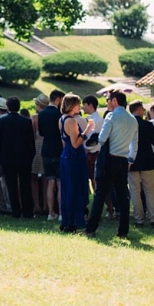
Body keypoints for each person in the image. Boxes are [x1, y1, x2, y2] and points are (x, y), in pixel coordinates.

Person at [83, 90, 138, 239]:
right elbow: (135, 144)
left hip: (109, 159)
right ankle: (123, 231)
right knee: (122, 196)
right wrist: (130, 160)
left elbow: (102, 139)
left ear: (114, 101)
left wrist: (92, 138)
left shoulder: (111, 116)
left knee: (100, 194)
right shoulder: (133, 120)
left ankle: (91, 228)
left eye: (108, 99)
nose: (107, 102)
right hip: (123, 160)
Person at [0, 96, 36, 218]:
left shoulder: (0, 122)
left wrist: (0, 156)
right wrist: (30, 156)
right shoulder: (26, 122)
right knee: (25, 185)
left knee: (11, 186)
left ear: (7, 107)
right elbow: (30, 142)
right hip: (24, 158)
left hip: (7, 159)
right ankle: (27, 211)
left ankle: (15, 211)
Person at [58, 93, 94, 232]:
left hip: (66, 156)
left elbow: (64, 142)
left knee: (68, 189)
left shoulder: (61, 119)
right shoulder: (72, 121)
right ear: (72, 105)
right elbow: (75, 143)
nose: (80, 106)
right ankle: (75, 221)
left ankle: (67, 220)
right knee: (76, 189)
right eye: (78, 104)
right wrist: (88, 130)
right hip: (74, 157)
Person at [128, 101, 154, 227]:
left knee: (135, 191)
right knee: (150, 191)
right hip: (147, 161)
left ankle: (139, 218)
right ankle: (153, 218)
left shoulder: (128, 125)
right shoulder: (147, 125)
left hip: (133, 161)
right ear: (139, 110)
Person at [39, 89, 65, 222]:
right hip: (59, 150)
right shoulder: (60, 114)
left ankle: (51, 212)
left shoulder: (41, 114)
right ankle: (61, 212)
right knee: (60, 184)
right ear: (58, 99)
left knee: (50, 183)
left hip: (46, 150)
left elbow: (41, 132)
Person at [30, 93, 49, 215]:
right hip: (46, 146)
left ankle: (37, 204)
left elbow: (32, 135)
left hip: (36, 147)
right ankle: (46, 205)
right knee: (46, 178)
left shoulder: (35, 117)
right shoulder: (50, 116)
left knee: (33, 178)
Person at [82, 95, 103, 196]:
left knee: (94, 179)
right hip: (93, 152)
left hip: (93, 153)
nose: (83, 107)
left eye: (84, 105)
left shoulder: (96, 119)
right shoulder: (93, 118)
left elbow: (94, 138)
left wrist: (86, 148)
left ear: (90, 105)